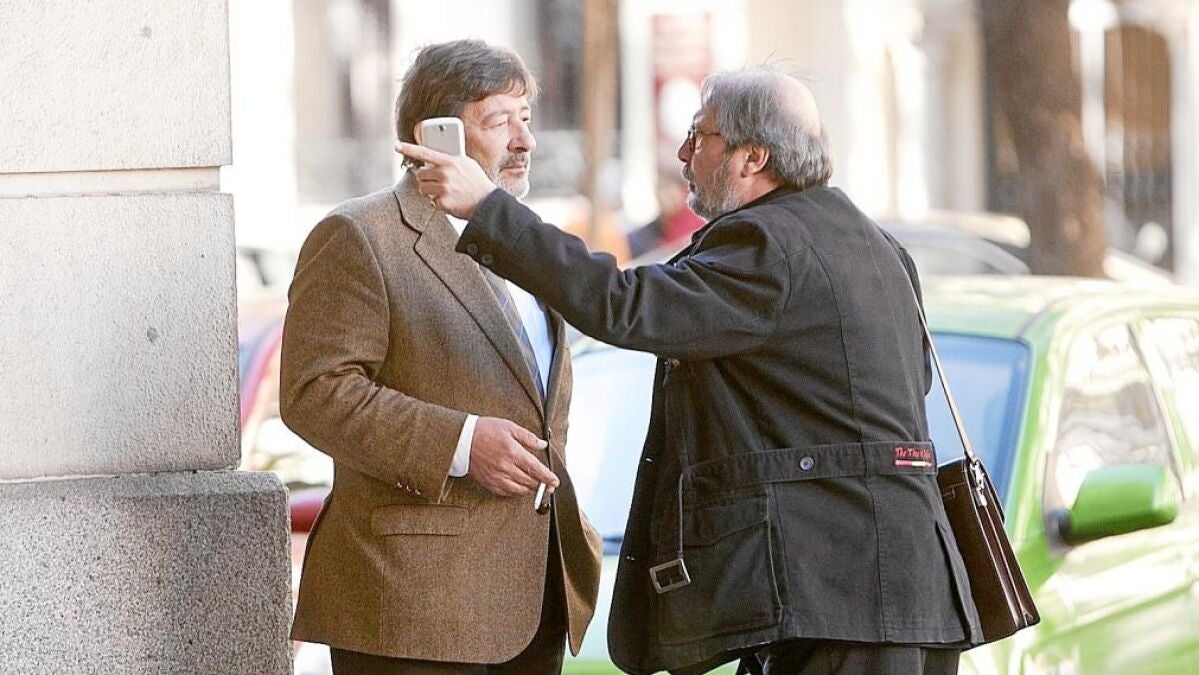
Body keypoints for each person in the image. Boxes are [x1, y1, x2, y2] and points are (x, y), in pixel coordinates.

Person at [397, 65, 983, 675]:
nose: (683, 154)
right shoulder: (875, 244)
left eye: (699, 136)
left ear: (752, 157)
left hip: (837, 598)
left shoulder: (766, 246)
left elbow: (625, 306)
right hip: (903, 592)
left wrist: (488, 209)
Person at [279, 39, 602, 675]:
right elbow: (315, 392)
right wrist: (461, 442)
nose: (524, 140)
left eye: (526, 118)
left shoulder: (525, 244)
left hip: (535, 600)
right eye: (499, 120)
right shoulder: (359, 235)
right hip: (409, 609)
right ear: (435, 135)